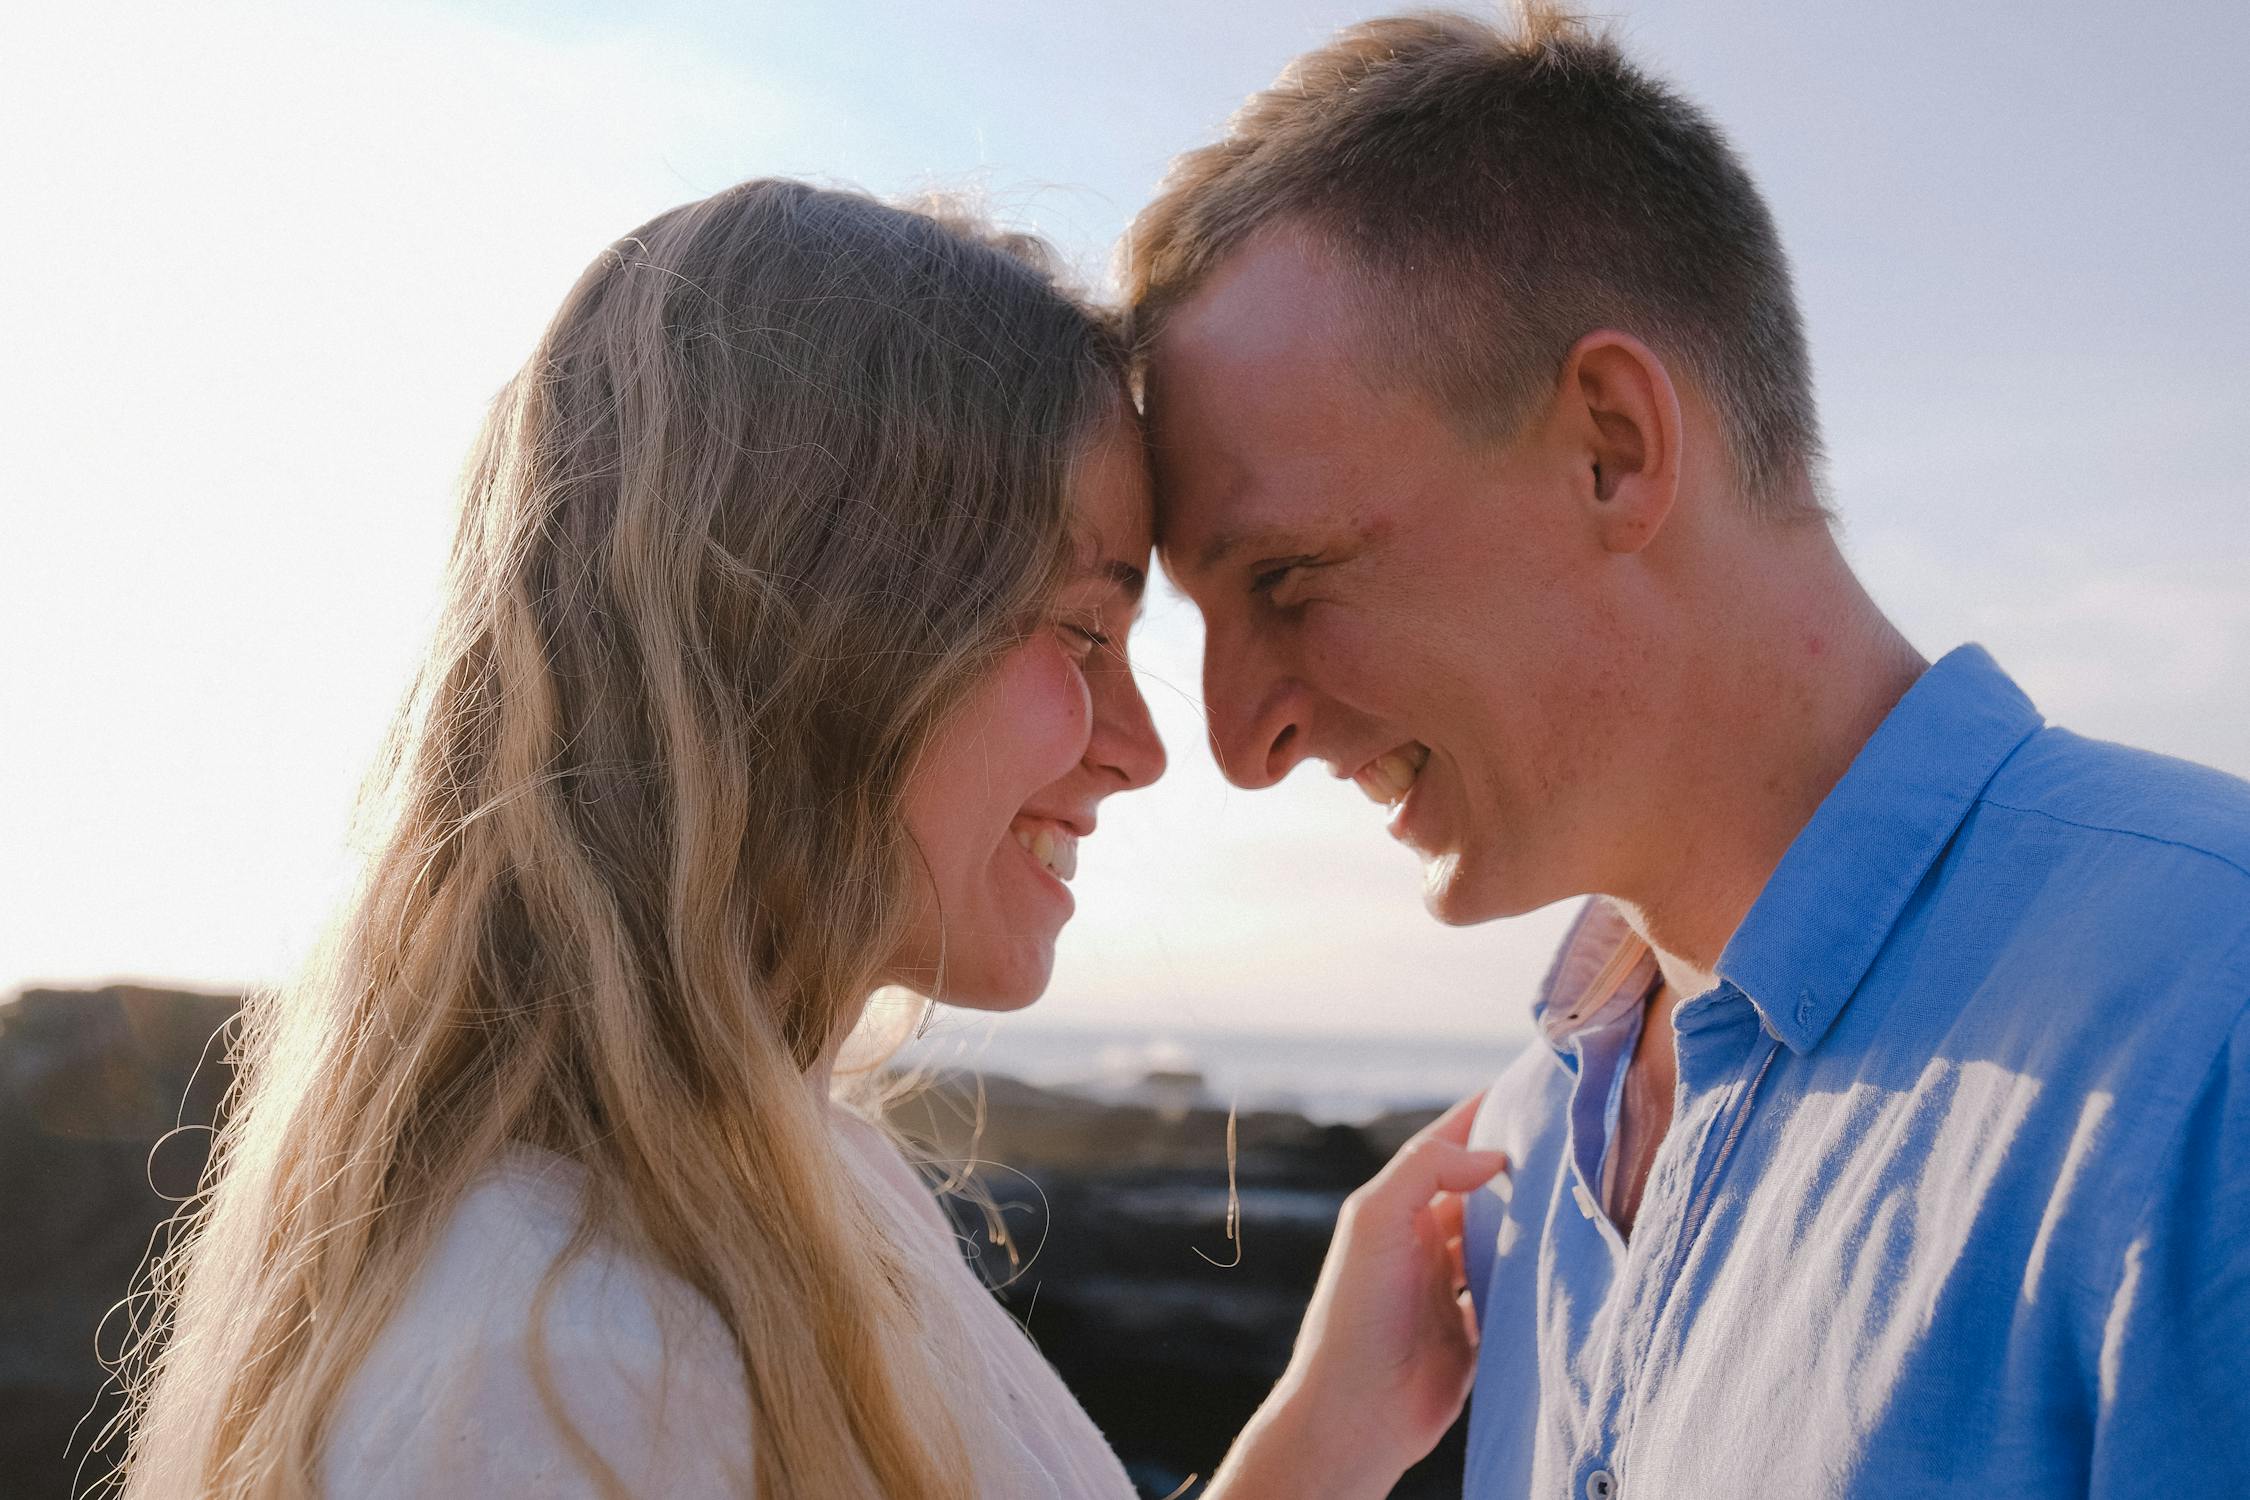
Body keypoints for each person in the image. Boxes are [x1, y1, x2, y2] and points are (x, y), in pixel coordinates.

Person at [112, 181, 1503, 1500]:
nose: (1140, 748)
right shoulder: (563, 1380)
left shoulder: (766, 1194)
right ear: (815, 640)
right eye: (1082, 628)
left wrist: (1326, 1431)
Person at [1126, 6, 2250, 1497]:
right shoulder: (1529, 1159)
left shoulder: (2208, 1022)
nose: (1236, 742)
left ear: (1612, 444)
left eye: (1286, 579)